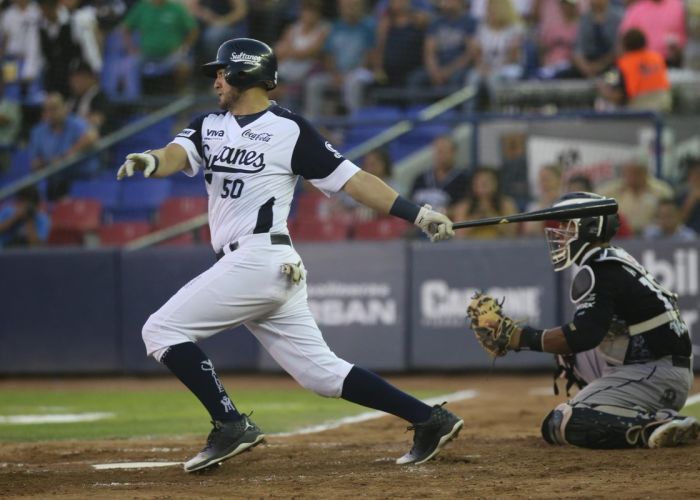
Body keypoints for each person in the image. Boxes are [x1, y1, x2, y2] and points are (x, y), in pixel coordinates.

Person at [116, 37, 462, 473]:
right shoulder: (209, 124)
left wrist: (418, 215)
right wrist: (150, 160)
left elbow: (353, 181)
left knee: (161, 330)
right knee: (322, 375)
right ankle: (429, 418)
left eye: (222, 71)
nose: (217, 80)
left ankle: (230, 423)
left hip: (259, 258)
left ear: (246, 73)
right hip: (264, 267)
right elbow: (174, 154)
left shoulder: (289, 129)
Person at [467, 191, 699, 449]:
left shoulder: (600, 270)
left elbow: (583, 336)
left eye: (568, 226)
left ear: (588, 228)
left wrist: (517, 337)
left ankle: (656, 422)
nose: (561, 233)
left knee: (563, 422)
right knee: (566, 356)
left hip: (655, 372)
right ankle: (614, 405)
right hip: (657, 364)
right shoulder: (611, 258)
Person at [303, 0, 376, 118]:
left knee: (353, 82)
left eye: (353, 6)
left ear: (360, 7)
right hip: (337, 74)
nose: (349, 9)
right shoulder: (335, 27)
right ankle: (312, 123)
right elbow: (329, 54)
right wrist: (334, 74)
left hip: (359, 72)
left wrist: (349, 74)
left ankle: (353, 123)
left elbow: (370, 54)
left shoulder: (368, 26)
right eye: (346, 6)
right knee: (314, 83)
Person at [28, 92, 99, 200]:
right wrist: (48, 162)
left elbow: (92, 136)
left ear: (64, 108)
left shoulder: (75, 123)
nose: (51, 113)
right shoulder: (38, 131)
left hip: (79, 176)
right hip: (52, 179)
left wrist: (67, 155)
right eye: (47, 110)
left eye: (54, 108)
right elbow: (35, 163)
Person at [121, 0, 199, 94]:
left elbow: (193, 30)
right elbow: (125, 28)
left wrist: (184, 47)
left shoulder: (176, 8)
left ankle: (180, 96)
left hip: (171, 54)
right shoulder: (142, 7)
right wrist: (130, 49)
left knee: (183, 66)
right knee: (129, 64)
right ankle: (132, 100)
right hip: (146, 54)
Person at [407, 0, 477, 95]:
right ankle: (417, 109)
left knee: (457, 79)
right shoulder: (436, 22)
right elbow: (428, 51)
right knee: (416, 79)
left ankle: (454, 110)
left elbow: (470, 53)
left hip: (459, 68)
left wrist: (448, 71)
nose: (445, 3)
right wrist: (434, 71)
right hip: (437, 66)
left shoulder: (470, 22)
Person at [596, 28, 671, 112]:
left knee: (602, 103)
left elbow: (609, 85)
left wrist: (602, 90)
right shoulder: (657, 58)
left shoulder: (623, 64)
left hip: (638, 109)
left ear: (624, 45)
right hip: (663, 105)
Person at [273, 0, 329, 111]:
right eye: (306, 11)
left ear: (318, 14)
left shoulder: (324, 29)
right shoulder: (293, 28)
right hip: (287, 69)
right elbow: (279, 51)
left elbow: (310, 52)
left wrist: (291, 52)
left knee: (289, 91)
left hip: (308, 71)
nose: (308, 15)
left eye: (312, 12)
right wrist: (296, 53)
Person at [598, 154, 673, 235]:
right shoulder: (608, 191)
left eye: (637, 173)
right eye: (628, 172)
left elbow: (671, 216)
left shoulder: (662, 191)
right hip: (620, 236)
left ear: (646, 172)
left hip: (653, 237)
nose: (632, 177)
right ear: (623, 172)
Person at [410, 135, 469, 218]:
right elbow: (410, 204)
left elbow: (465, 207)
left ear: (454, 152)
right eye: (439, 151)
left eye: (445, 151)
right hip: (419, 225)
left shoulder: (464, 179)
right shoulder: (421, 178)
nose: (441, 155)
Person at [452, 166, 519, 239]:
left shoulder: (506, 204)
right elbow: (458, 235)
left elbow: (512, 233)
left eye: (485, 183)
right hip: (471, 247)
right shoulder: (463, 207)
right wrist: (477, 218)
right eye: (478, 183)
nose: (482, 187)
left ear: (495, 184)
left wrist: (491, 217)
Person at [618, 0, 686, 67]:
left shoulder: (677, 6)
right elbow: (625, 37)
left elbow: (683, 35)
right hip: (642, 64)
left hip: (669, 62)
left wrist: (677, 47)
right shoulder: (637, 8)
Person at [570, 0, 622, 79]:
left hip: (610, 65)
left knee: (614, 78)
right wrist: (585, 67)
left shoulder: (618, 18)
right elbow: (577, 49)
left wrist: (599, 66)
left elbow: (618, 49)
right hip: (587, 64)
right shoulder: (584, 19)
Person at [677, 157, 700, 234]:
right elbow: (678, 221)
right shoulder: (681, 194)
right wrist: (691, 199)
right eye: (696, 175)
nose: (698, 178)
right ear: (689, 177)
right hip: (689, 236)